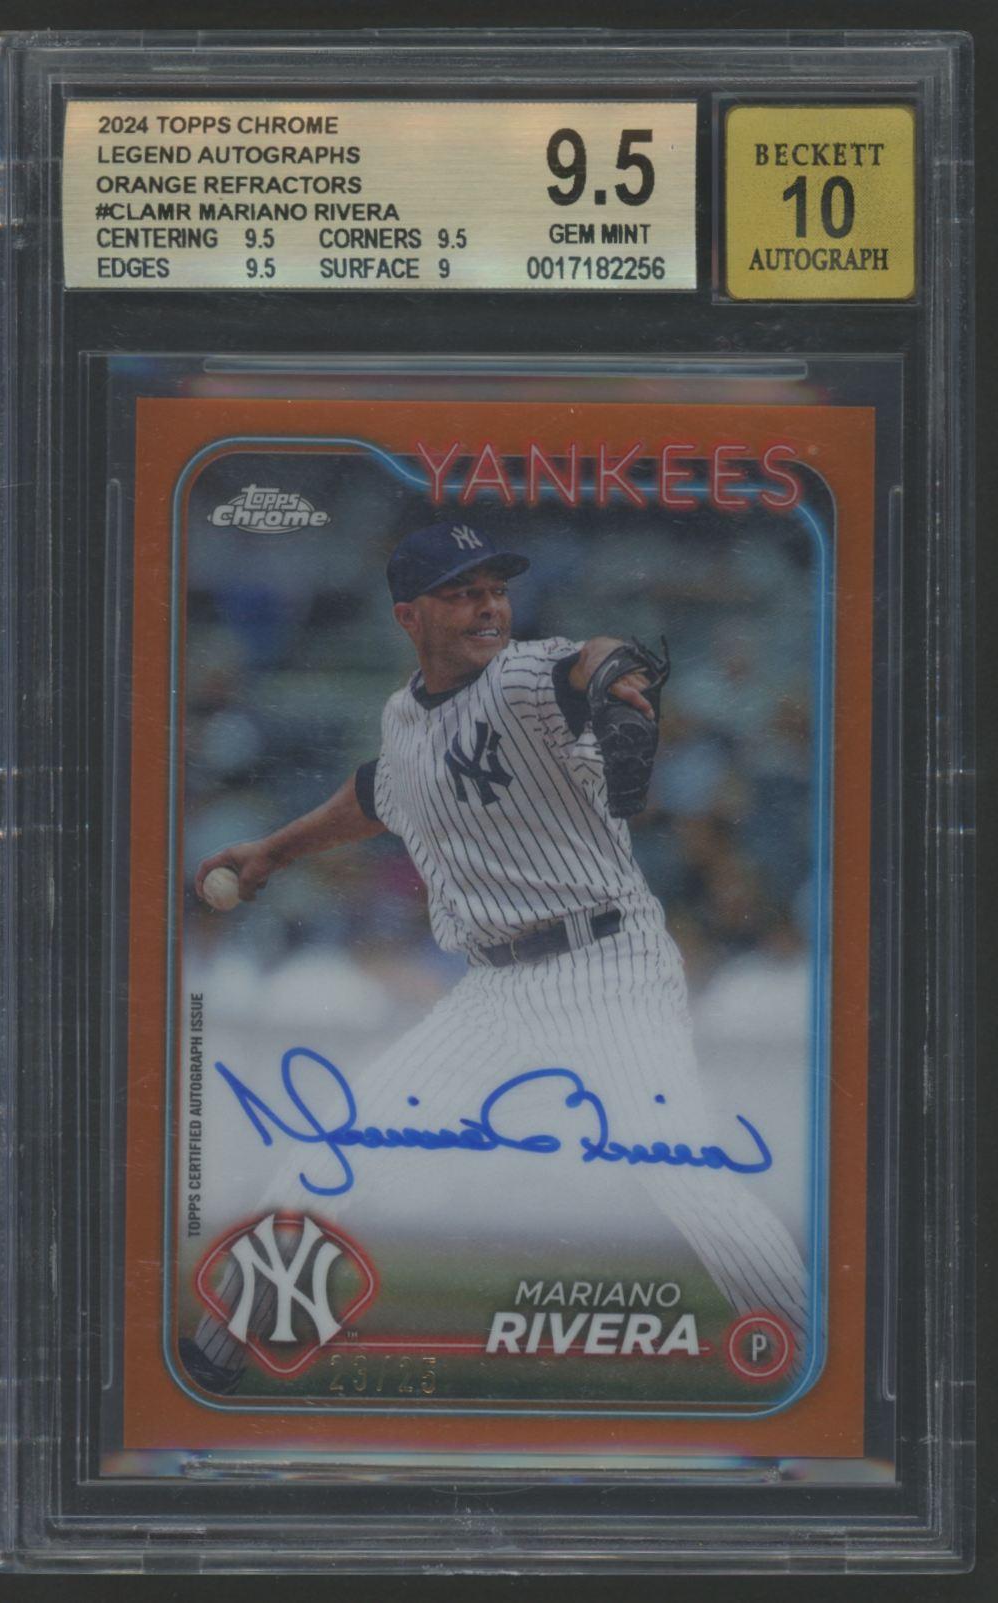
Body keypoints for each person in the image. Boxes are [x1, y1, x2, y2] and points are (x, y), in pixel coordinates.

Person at [185, 520, 810, 1393]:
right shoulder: (403, 718)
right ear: (408, 615)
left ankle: (821, 1357)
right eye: (460, 593)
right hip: (496, 990)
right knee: (337, 1145)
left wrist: (617, 679)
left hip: (606, 964)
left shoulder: (519, 676)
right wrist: (274, 850)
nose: (487, 606)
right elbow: (378, 792)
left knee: (680, 1173)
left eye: (494, 590)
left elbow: (587, 658)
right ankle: (214, 1360)